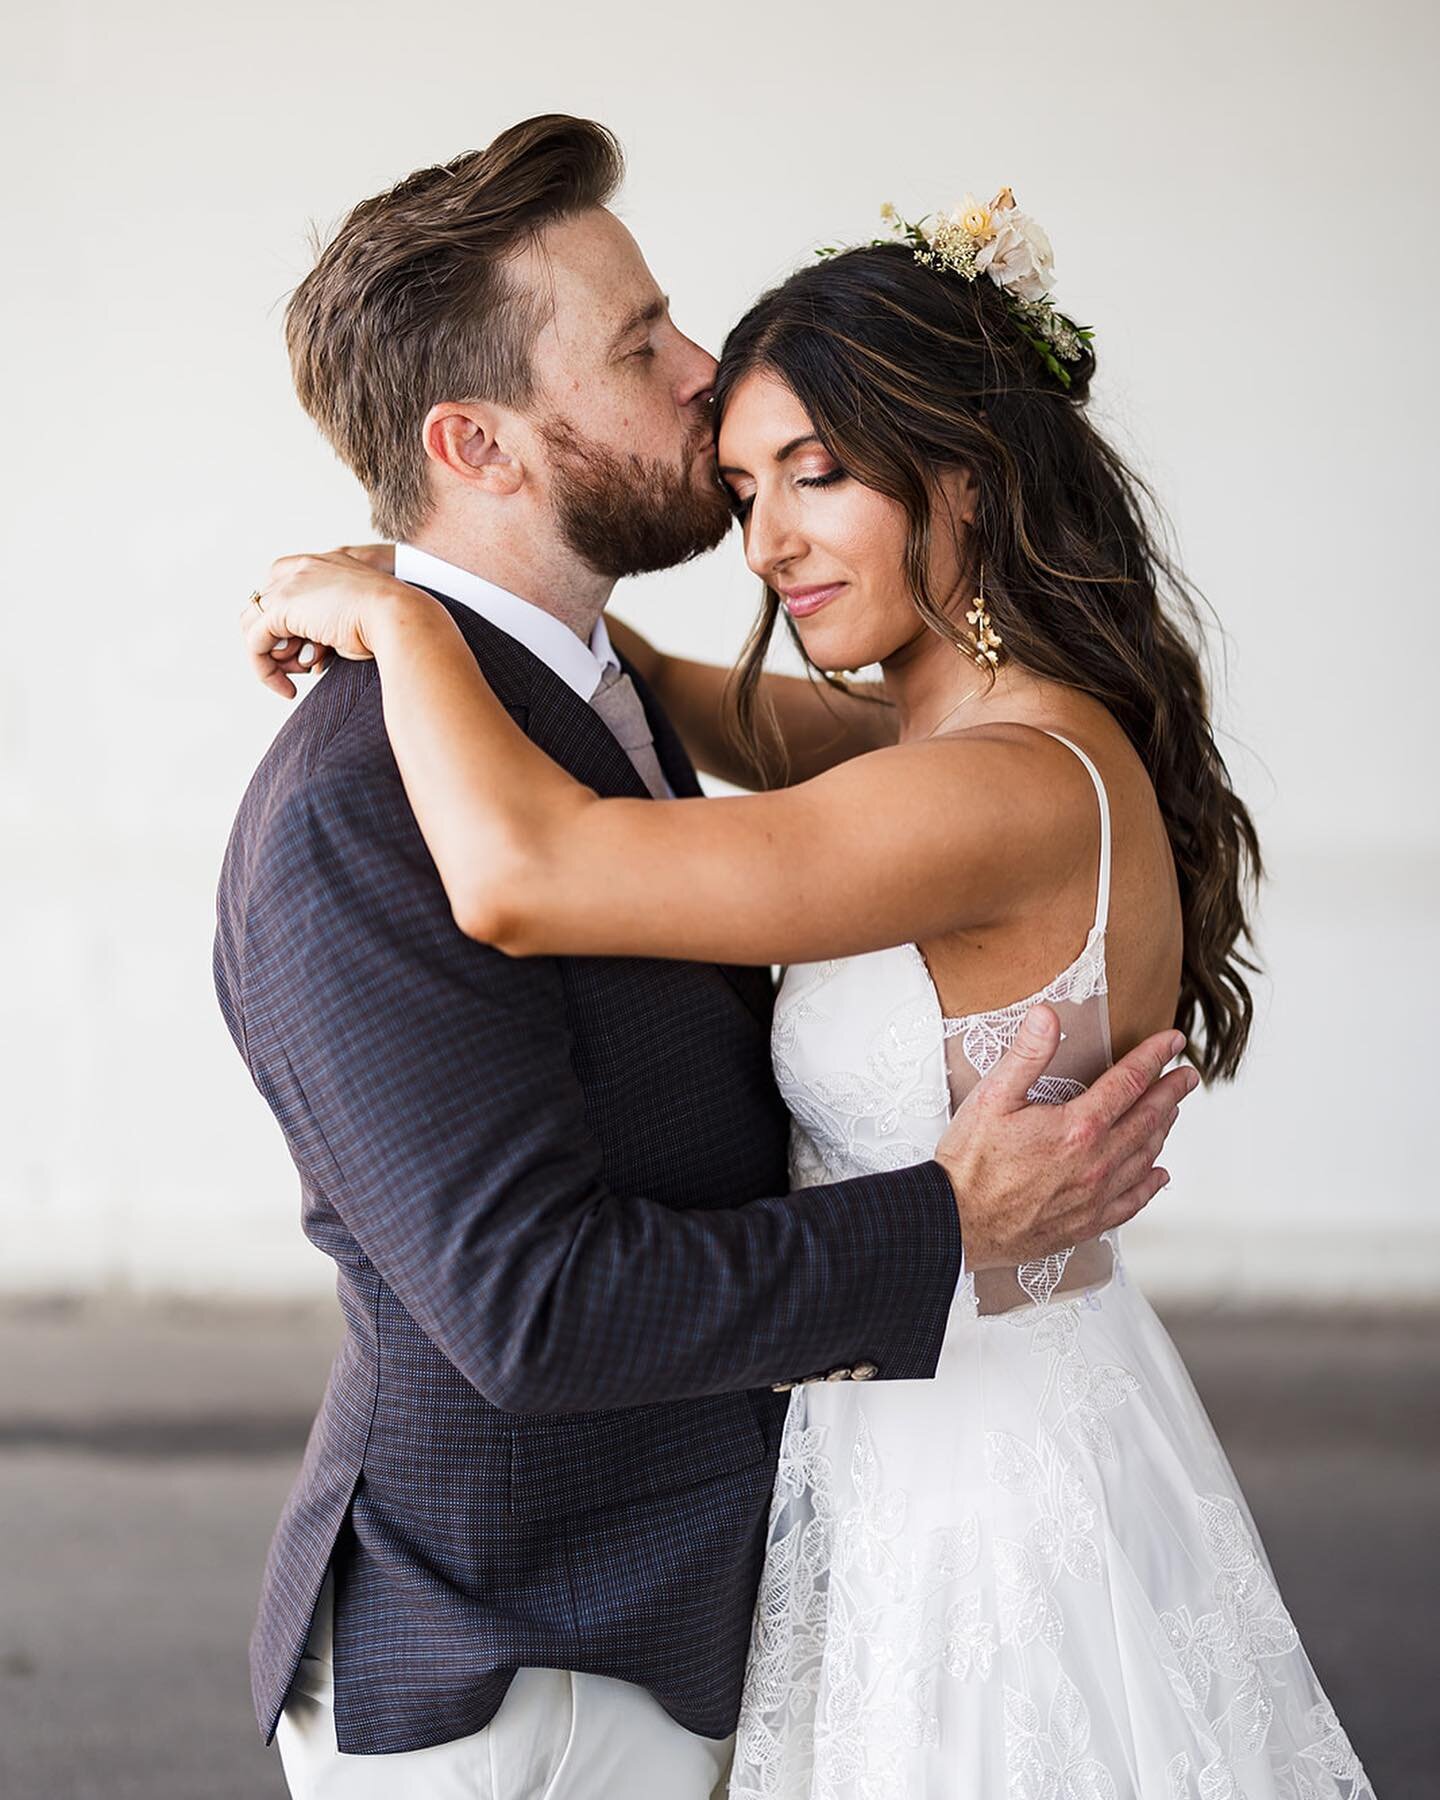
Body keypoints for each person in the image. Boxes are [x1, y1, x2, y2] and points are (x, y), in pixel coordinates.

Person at [245, 181, 1375, 1797]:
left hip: (978, 1486)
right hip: (918, 1445)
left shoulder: (983, 793)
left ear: (962, 483)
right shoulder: (958, 742)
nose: (766, 536)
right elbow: (660, 700)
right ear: (472, 438)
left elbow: (528, 870)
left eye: (819, 475)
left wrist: (390, 609)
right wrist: (478, 606)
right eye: (743, 476)